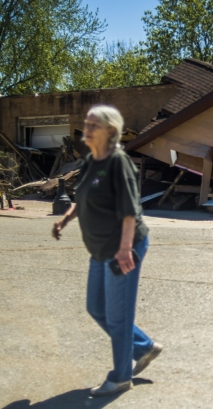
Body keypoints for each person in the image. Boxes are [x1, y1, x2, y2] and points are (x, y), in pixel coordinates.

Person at [51, 105, 162, 397]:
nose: (86, 129)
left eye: (93, 125)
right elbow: (83, 198)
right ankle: (144, 347)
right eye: (86, 123)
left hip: (123, 246)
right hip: (100, 249)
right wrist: (65, 219)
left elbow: (129, 210)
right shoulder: (90, 162)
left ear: (110, 131)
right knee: (96, 307)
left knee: (117, 315)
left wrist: (126, 250)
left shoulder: (118, 162)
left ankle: (120, 376)